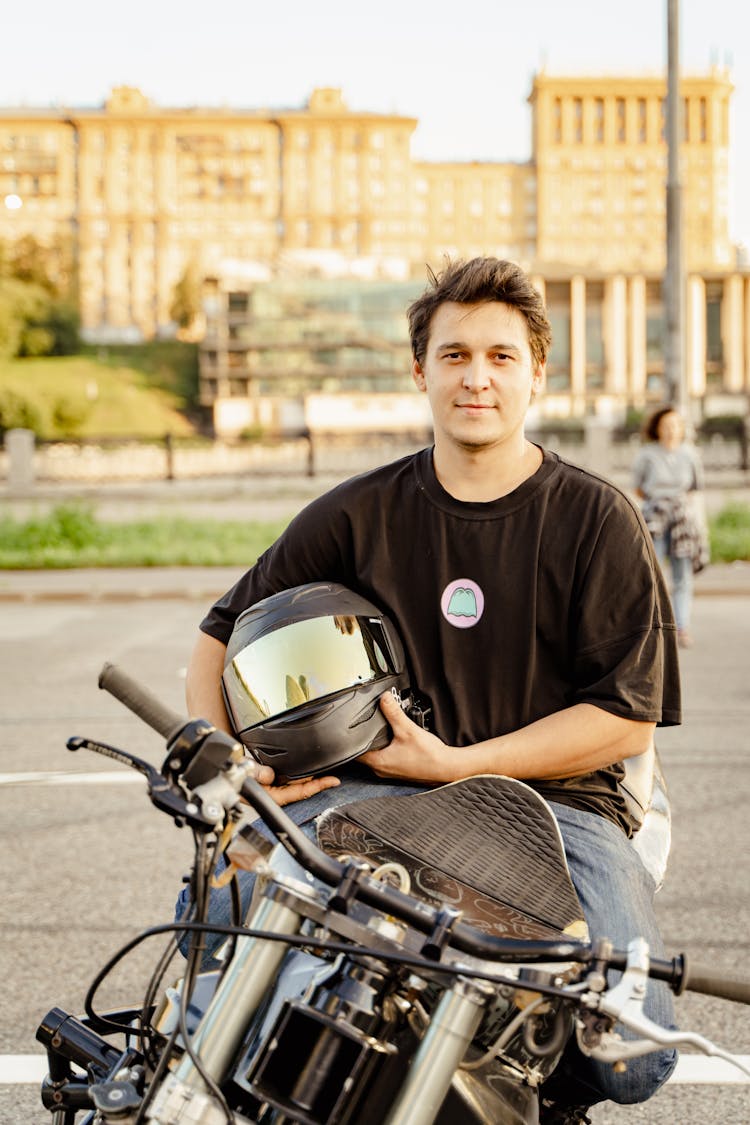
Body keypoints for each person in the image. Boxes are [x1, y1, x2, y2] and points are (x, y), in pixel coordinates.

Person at [181, 257, 681, 1122]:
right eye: (453, 356)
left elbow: (625, 720)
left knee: (631, 1055)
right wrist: (235, 768)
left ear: (537, 373)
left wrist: (454, 762)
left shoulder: (598, 518)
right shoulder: (357, 512)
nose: (476, 377)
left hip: (558, 804)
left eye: (499, 356)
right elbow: (217, 634)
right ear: (422, 371)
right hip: (376, 789)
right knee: (223, 924)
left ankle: (524, 1089)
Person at [632, 405, 707, 648]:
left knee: (682, 576)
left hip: (683, 521)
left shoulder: (690, 455)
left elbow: (695, 489)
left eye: (676, 425)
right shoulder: (646, 454)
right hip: (655, 517)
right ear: (657, 428)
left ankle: (682, 627)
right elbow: (639, 488)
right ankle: (654, 626)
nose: (672, 430)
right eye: (667, 425)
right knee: (653, 573)